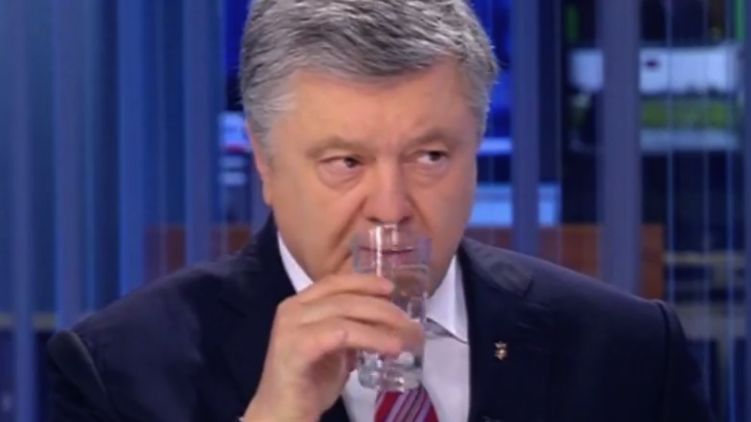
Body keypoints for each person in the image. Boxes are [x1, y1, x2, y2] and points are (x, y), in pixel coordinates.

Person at [48, 1, 713, 421]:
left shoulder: (628, 351)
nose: (391, 209)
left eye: (430, 156)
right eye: (346, 162)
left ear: (475, 146)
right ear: (265, 162)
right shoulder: (120, 372)